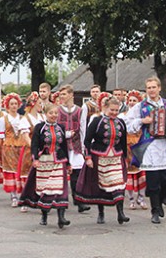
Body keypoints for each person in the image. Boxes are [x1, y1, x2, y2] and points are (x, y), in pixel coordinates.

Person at [125, 77, 166, 224]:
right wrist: (142, 121)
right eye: (148, 88)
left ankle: (163, 198)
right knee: (153, 181)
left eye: (154, 87)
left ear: (159, 88)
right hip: (149, 146)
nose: (151, 90)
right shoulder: (140, 107)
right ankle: (155, 210)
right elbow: (127, 123)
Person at [75, 95, 130, 225]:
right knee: (102, 186)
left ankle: (120, 213)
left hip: (116, 157)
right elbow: (87, 140)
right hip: (100, 157)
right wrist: (87, 157)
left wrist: (125, 158)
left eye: (117, 110)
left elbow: (123, 142)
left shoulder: (120, 122)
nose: (114, 113)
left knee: (119, 183)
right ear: (105, 108)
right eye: (112, 110)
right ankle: (101, 212)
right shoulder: (97, 121)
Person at [19, 102, 71, 229]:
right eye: (51, 113)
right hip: (44, 161)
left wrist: (68, 163)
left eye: (55, 113)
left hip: (58, 161)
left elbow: (64, 145)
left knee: (59, 189)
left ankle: (61, 218)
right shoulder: (39, 127)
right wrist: (35, 159)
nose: (54, 115)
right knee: (46, 190)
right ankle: (44, 215)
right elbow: (35, 145)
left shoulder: (61, 127)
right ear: (45, 114)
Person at [56, 84, 90, 214]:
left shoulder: (79, 110)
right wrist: (65, 134)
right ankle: (59, 200)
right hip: (61, 146)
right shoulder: (58, 110)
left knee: (77, 173)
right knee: (61, 174)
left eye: (64, 94)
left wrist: (83, 147)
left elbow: (82, 129)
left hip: (75, 146)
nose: (62, 97)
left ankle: (78, 201)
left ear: (71, 95)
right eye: (61, 94)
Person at [17, 92, 45, 213]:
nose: (41, 105)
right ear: (33, 104)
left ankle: (40, 199)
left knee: (41, 175)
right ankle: (24, 200)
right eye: (39, 103)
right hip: (30, 151)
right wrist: (35, 148)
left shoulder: (42, 118)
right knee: (27, 174)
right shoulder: (25, 119)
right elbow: (25, 136)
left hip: (43, 151)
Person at [0, 92, 25, 207]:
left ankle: (22, 195)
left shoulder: (23, 118)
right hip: (8, 147)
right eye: (11, 104)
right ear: (7, 105)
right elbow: (0, 137)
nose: (13, 106)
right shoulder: (3, 119)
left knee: (21, 171)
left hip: (21, 147)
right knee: (11, 171)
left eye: (15, 104)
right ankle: (14, 196)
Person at [120, 90, 148, 210]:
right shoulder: (122, 116)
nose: (131, 103)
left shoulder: (142, 117)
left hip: (140, 146)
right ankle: (131, 199)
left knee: (142, 175)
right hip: (127, 148)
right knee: (129, 175)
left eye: (134, 101)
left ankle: (141, 198)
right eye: (130, 100)